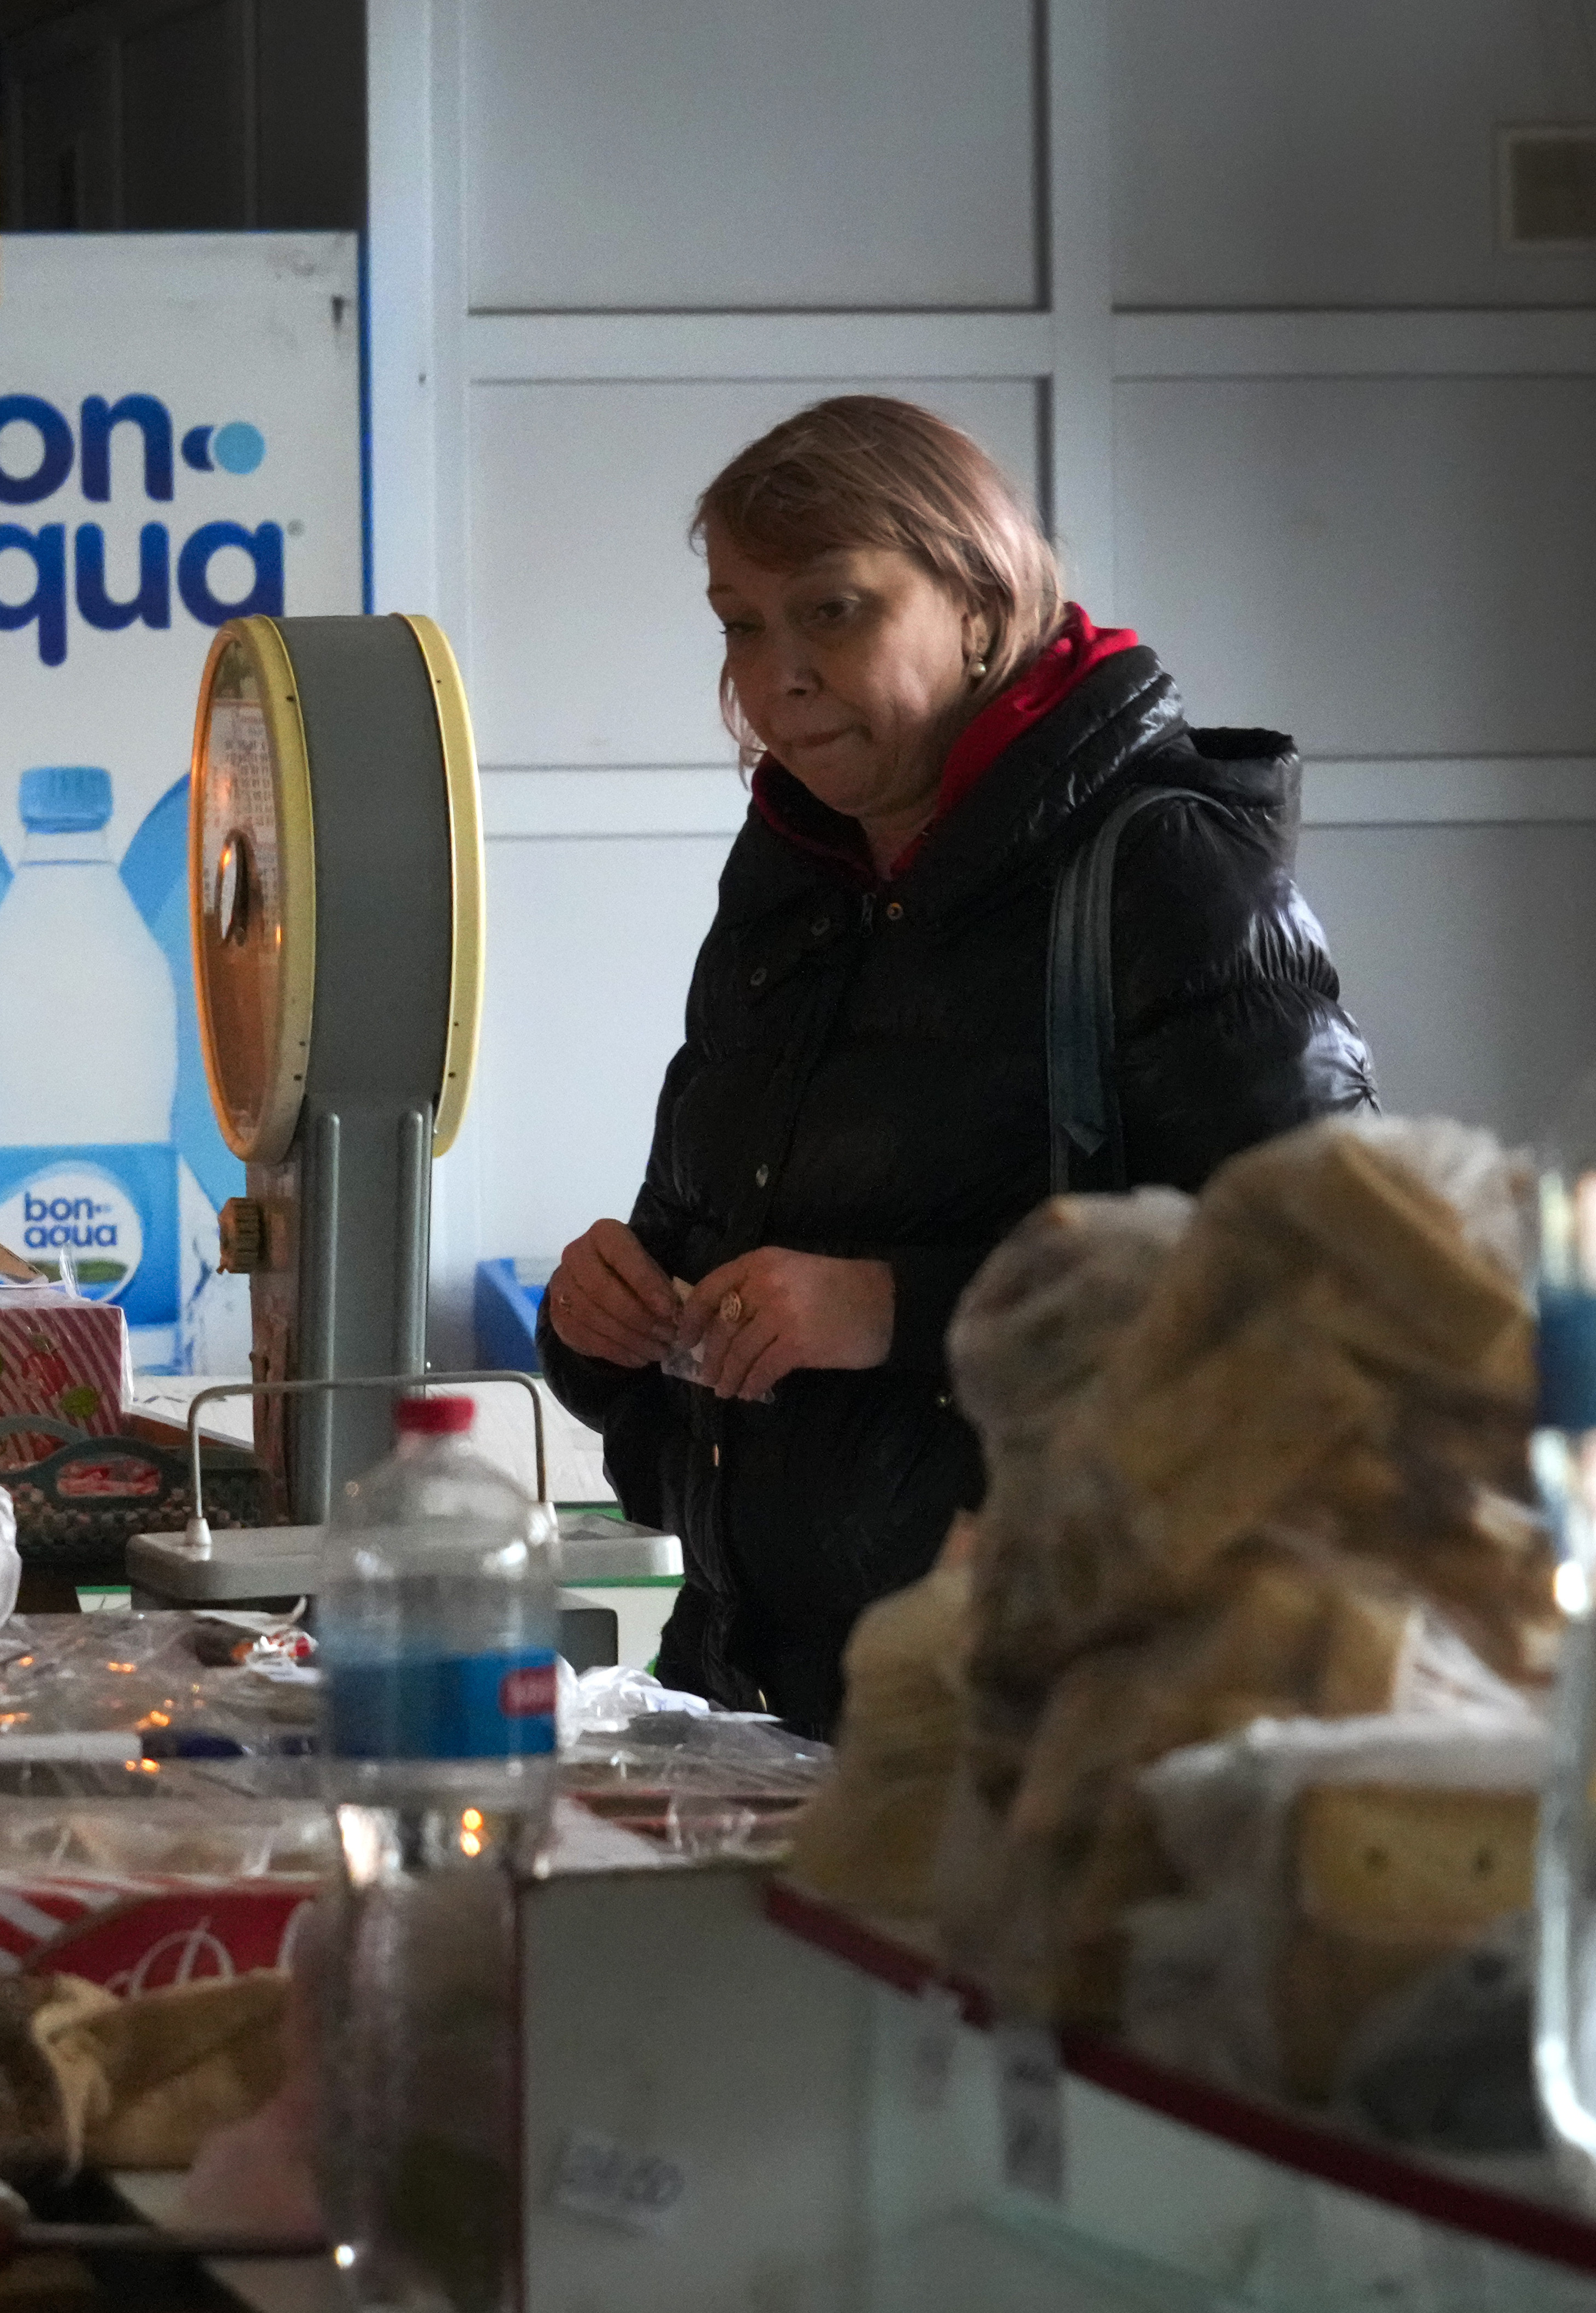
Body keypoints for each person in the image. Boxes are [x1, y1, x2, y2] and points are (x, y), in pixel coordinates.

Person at [539, 395, 1372, 1737]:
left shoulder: (1164, 873)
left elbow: (1320, 1294)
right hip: (766, 1710)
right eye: (739, 624)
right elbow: (695, 1278)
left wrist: (894, 1307)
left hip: (1051, 1735)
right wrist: (605, 1323)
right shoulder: (788, 887)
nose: (773, 678)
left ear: (980, 606)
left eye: (832, 610)